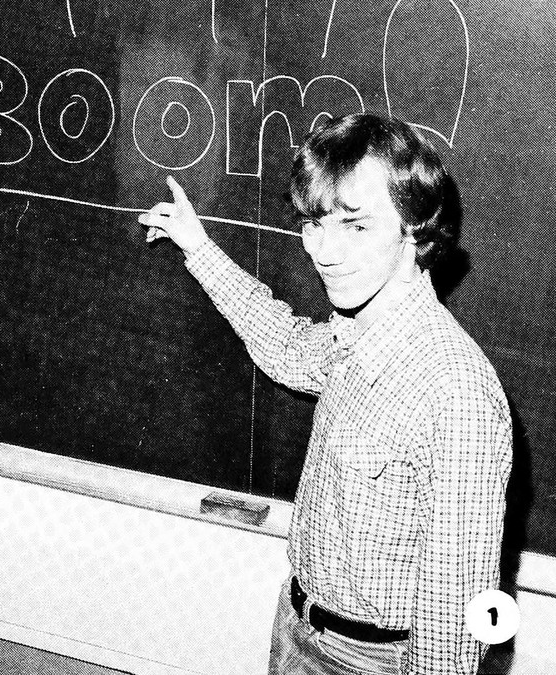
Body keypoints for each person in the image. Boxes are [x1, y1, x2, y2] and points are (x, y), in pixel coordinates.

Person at [137, 113, 512, 675]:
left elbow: (452, 621)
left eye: (356, 227)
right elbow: (286, 346)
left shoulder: (455, 393)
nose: (324, 251)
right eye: (315, 223)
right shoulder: (357, 331)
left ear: (415, 231)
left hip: (370, 661)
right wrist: (199, 246)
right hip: (297, 626)